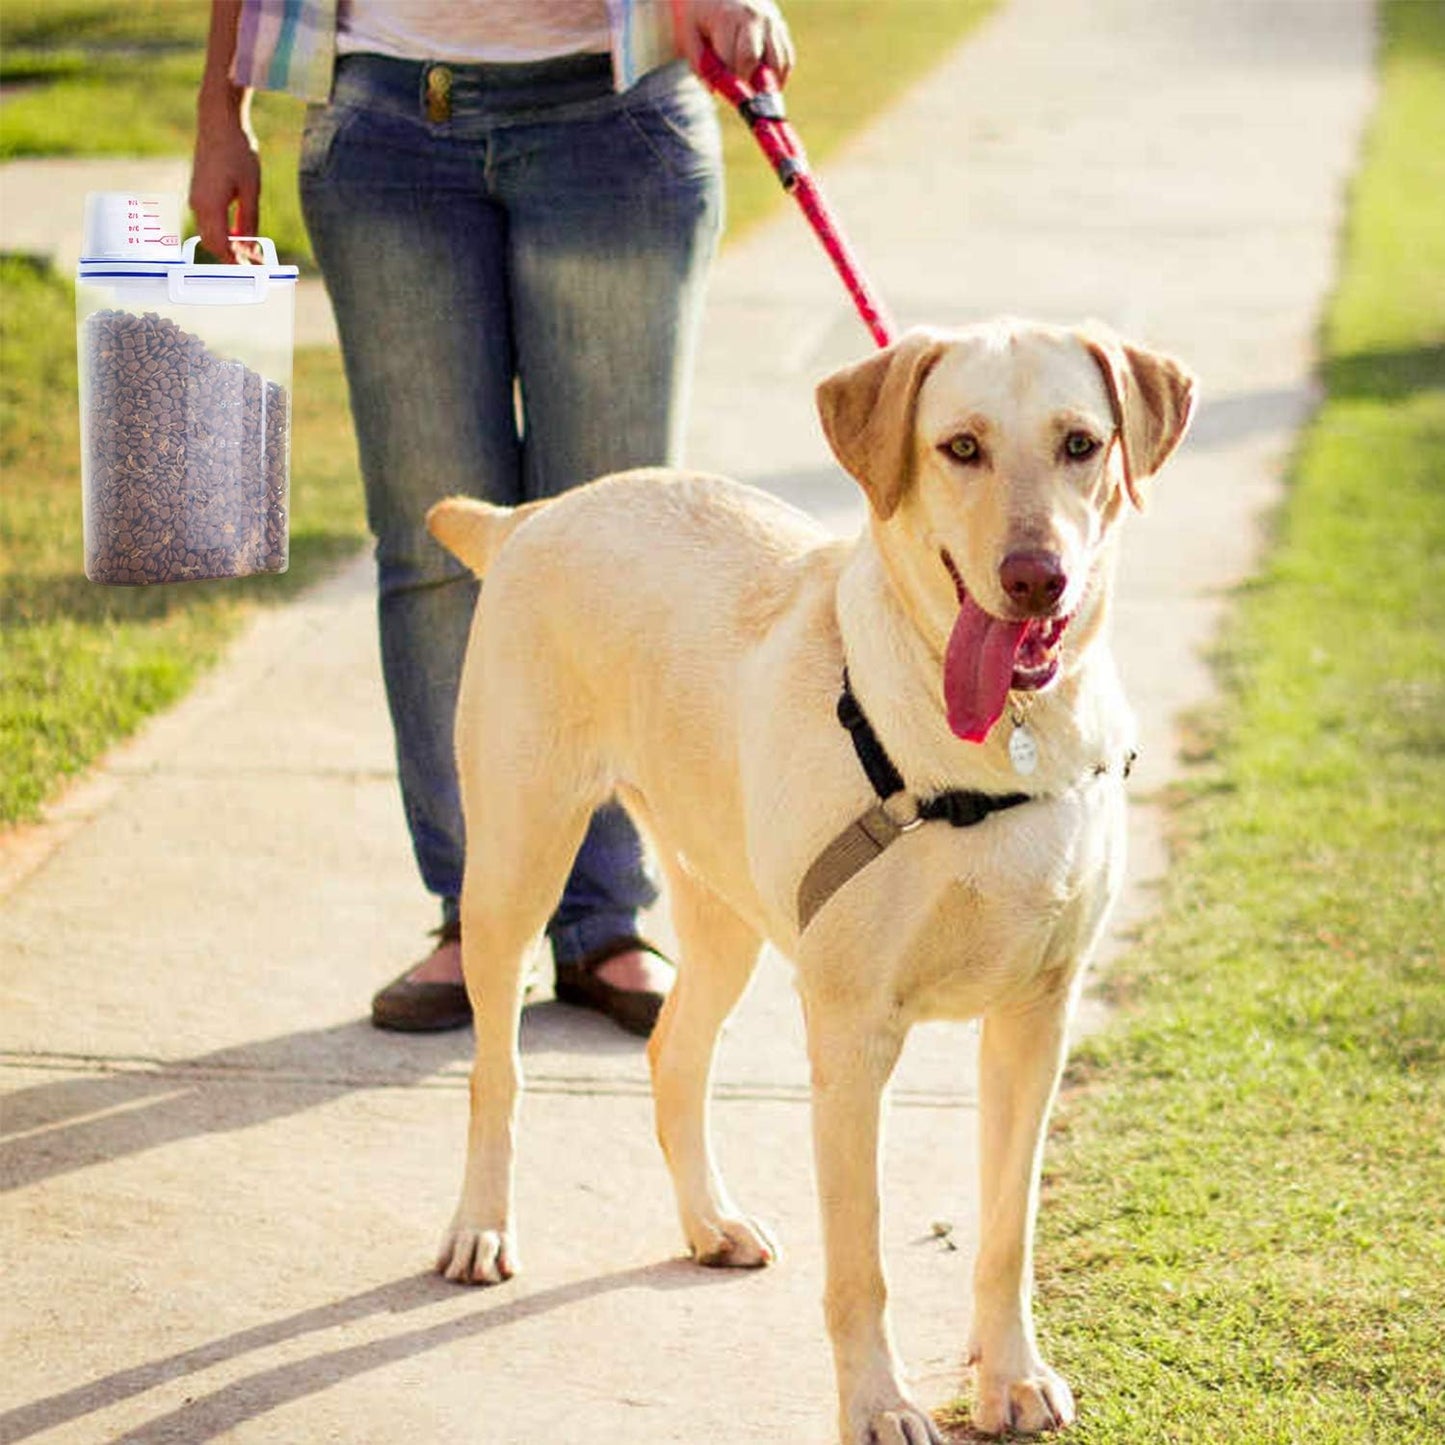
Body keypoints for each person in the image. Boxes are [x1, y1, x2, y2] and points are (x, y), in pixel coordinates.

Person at [191, 0, 793, 1036]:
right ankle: (477, 912)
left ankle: (604, 918)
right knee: (434, 545)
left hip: (612, 117)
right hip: (383, 120)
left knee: (626, 562)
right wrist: (220, 111)